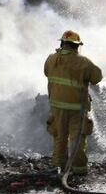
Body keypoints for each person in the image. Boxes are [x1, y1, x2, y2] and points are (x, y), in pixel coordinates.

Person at [43, 30, 102, 176]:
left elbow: (46, 72)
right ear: (76, 46)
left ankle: (58, 168)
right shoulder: (84, 62)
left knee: (59, 139)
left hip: (57, 108)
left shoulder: (51, 59)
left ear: (62, 43)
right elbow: (97, 77)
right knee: (77, 141)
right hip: (77, 110)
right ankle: (79, 171)